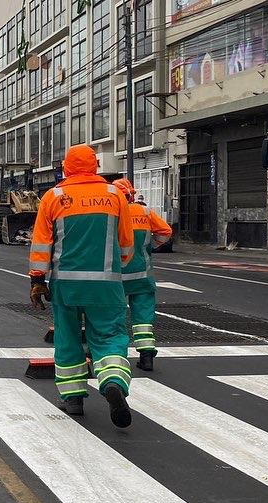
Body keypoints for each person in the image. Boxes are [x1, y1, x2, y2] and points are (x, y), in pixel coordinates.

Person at [28, 144, 135, 428]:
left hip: (66, 286)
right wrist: (116, 265)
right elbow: (126, 244)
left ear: (65, 168)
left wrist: (37, 279)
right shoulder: (115, 195)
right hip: (106, 285)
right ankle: (112, 381)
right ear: (95, 168)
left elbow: (41, 244)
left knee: (68, 338)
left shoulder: (54, 196)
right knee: (110, 336)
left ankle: (73, 398)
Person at [113, 178, 173, 372]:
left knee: (114, 316)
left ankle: (116, 356)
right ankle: (146, 356)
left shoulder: (111, 213)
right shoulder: (145, 212)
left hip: (117, 277)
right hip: (142, 276)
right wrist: (149, 247)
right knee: (143, 318)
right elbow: (165, 231)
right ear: (131, 194)